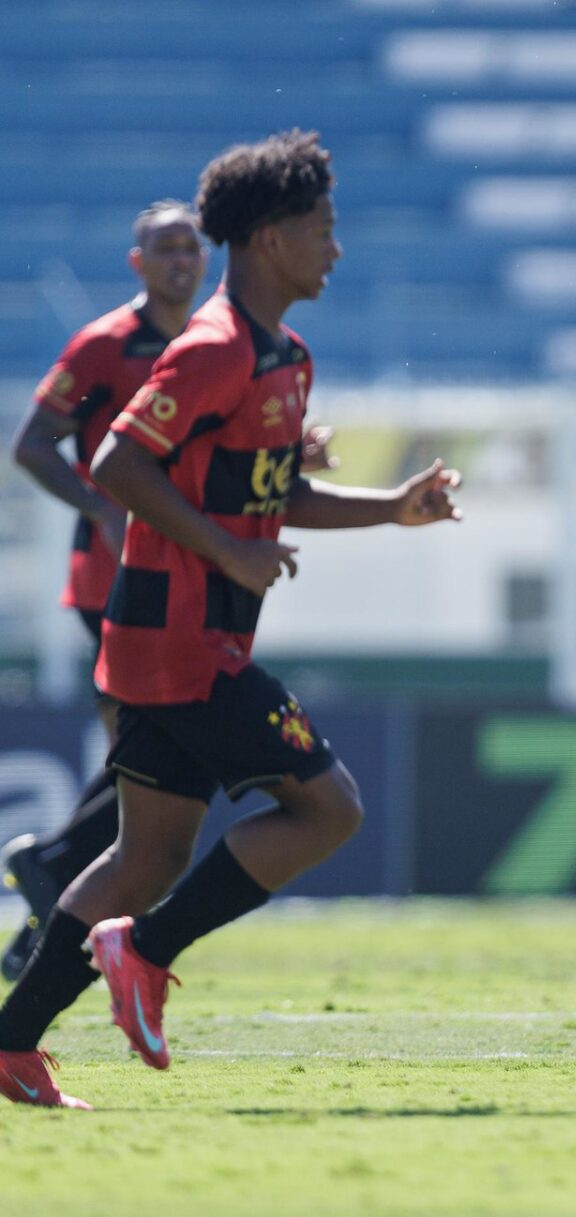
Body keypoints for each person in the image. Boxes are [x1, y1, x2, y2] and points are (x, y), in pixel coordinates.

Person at [0, 130, 462, 1109]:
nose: (336, 248)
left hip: (177, 637)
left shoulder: (285, 355)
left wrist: (392, 507)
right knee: (329, 809)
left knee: (147, 855)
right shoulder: (213, 347)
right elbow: (118, 462)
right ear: (268, 239)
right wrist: (226, 549)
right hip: (181, 640)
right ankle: (146, 950)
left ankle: (8, 1044)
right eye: (322, 229)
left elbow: (271, 491)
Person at [3, 203, 338, 981]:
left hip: (187, 579)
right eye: (166, 249)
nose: (182, 260)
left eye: (192, 247)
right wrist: (97, 506)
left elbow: (216, 458)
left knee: (147, 768)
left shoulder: (222, 345)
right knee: (151, 765)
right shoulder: (104, 345)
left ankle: (50, 892)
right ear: (139, 263)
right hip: (118, 582)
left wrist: (288, 458)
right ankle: (59, 887)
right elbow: (33, 445)